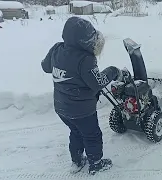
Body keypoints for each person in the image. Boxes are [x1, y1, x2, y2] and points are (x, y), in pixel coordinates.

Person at [41, 16, 123, 175]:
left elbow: (45, 67)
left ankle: (77, 161)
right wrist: (113, 71)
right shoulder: (86, 59)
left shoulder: (57, 48)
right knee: (92, 135)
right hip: (82, 111)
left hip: (61, 107)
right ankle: (96, 163)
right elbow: (97, 82)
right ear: (86, 40)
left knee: (76, 131)